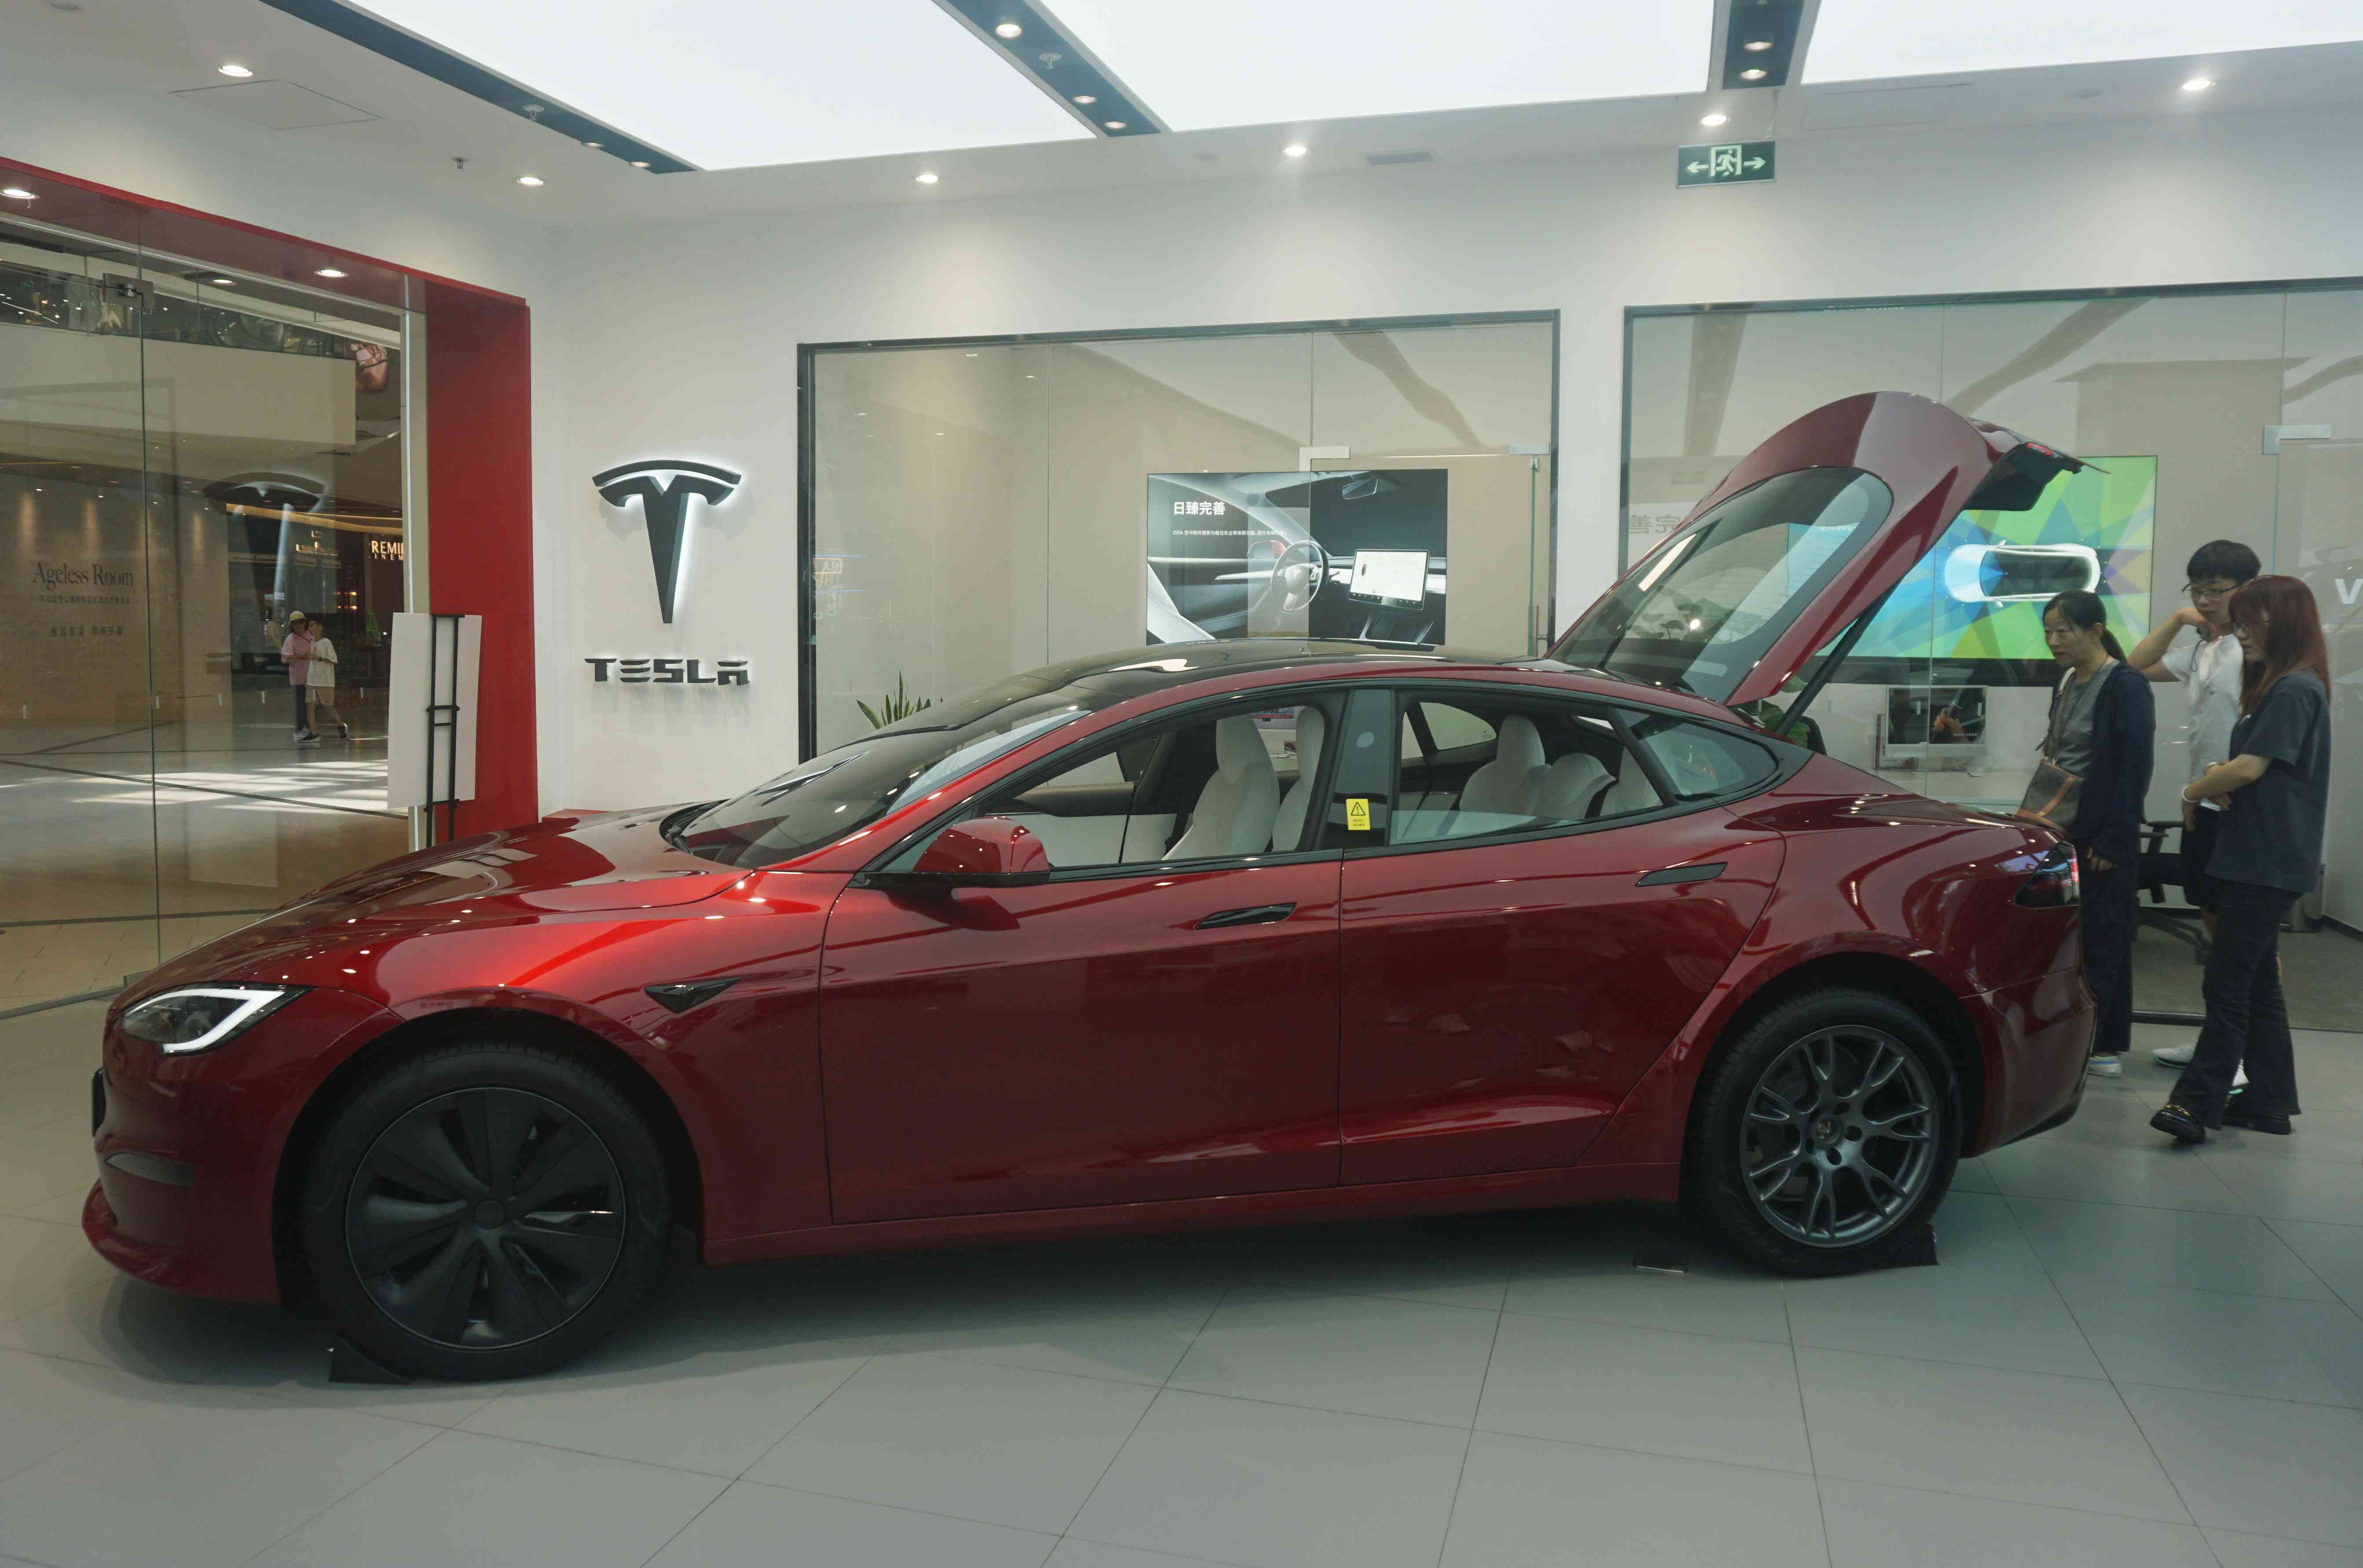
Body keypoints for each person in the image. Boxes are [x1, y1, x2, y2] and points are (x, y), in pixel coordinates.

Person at [2153, 576, 2332, 1143]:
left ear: (2281, 623)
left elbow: (2250, 769)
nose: (2239, 634)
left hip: (2266, 860)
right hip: (2255, 855)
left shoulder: (2294, 690)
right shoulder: (2279, 688)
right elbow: (2245, 769)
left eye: (2248, 622)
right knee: (2255, 985)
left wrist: (2192, 790)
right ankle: (2269, 1103)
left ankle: (2195, 1104)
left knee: (2226, 985)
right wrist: (2213, 778)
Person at [2127, 540, 2259, 1070]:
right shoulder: (2204, 647)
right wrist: (2181, 617)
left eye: (2214, 591)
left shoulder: (2258, 650)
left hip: (2244, 804)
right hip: (2201, 803)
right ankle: (2218, 1037)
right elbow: (2133, 668)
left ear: (2247, 590)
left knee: (2242, 933)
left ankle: (2246, 1048)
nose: (2204, 601)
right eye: (2196, 590)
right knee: (2210, 918)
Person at [2039, 590, 2155, 1079]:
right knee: (2076, 936)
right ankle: (2081, 1035)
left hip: (2103, 834)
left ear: (2095, 630)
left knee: (2105, 937)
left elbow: (2134, 769)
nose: (2053, 641)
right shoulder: (2067, 680)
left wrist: (2114, 838)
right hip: (2062, 826)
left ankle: (2102, 1042)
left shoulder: (2125, 685)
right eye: (2048, 631)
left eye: (2063, 630)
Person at [306, 624, 350, 740]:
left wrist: (319, 658)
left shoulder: (326, 643)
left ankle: (341, 726)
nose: (310, 629)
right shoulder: (310, 642)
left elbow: (334, 661)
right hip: (312, 680)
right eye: (309, 626)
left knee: (328, 706)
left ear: (320, 627)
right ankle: (313, 733)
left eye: (312, 625)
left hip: (324, 681)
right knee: (310, 706)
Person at [279, 613, 316, 743]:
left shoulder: (311, 636)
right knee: (300, 705)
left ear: (305, 622)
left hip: (312, 678)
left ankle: (309, 728)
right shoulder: (291, 639)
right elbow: (285, 659)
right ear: (291, 626)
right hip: (298, 678)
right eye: (295, 623)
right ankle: (300, 730)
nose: (299, 625)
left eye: (301, 622)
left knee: (312, 705)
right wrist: (299, 657)